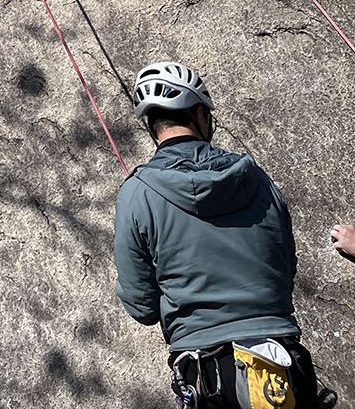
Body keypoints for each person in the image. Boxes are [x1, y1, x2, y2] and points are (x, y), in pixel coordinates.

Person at [114, 62, 320, 408]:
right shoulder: (258, 180)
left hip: (208, 375)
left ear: (153, 126)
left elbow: (142, 306)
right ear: (198, 114)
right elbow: (285, 266)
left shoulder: (136, 193)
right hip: (283, 365)